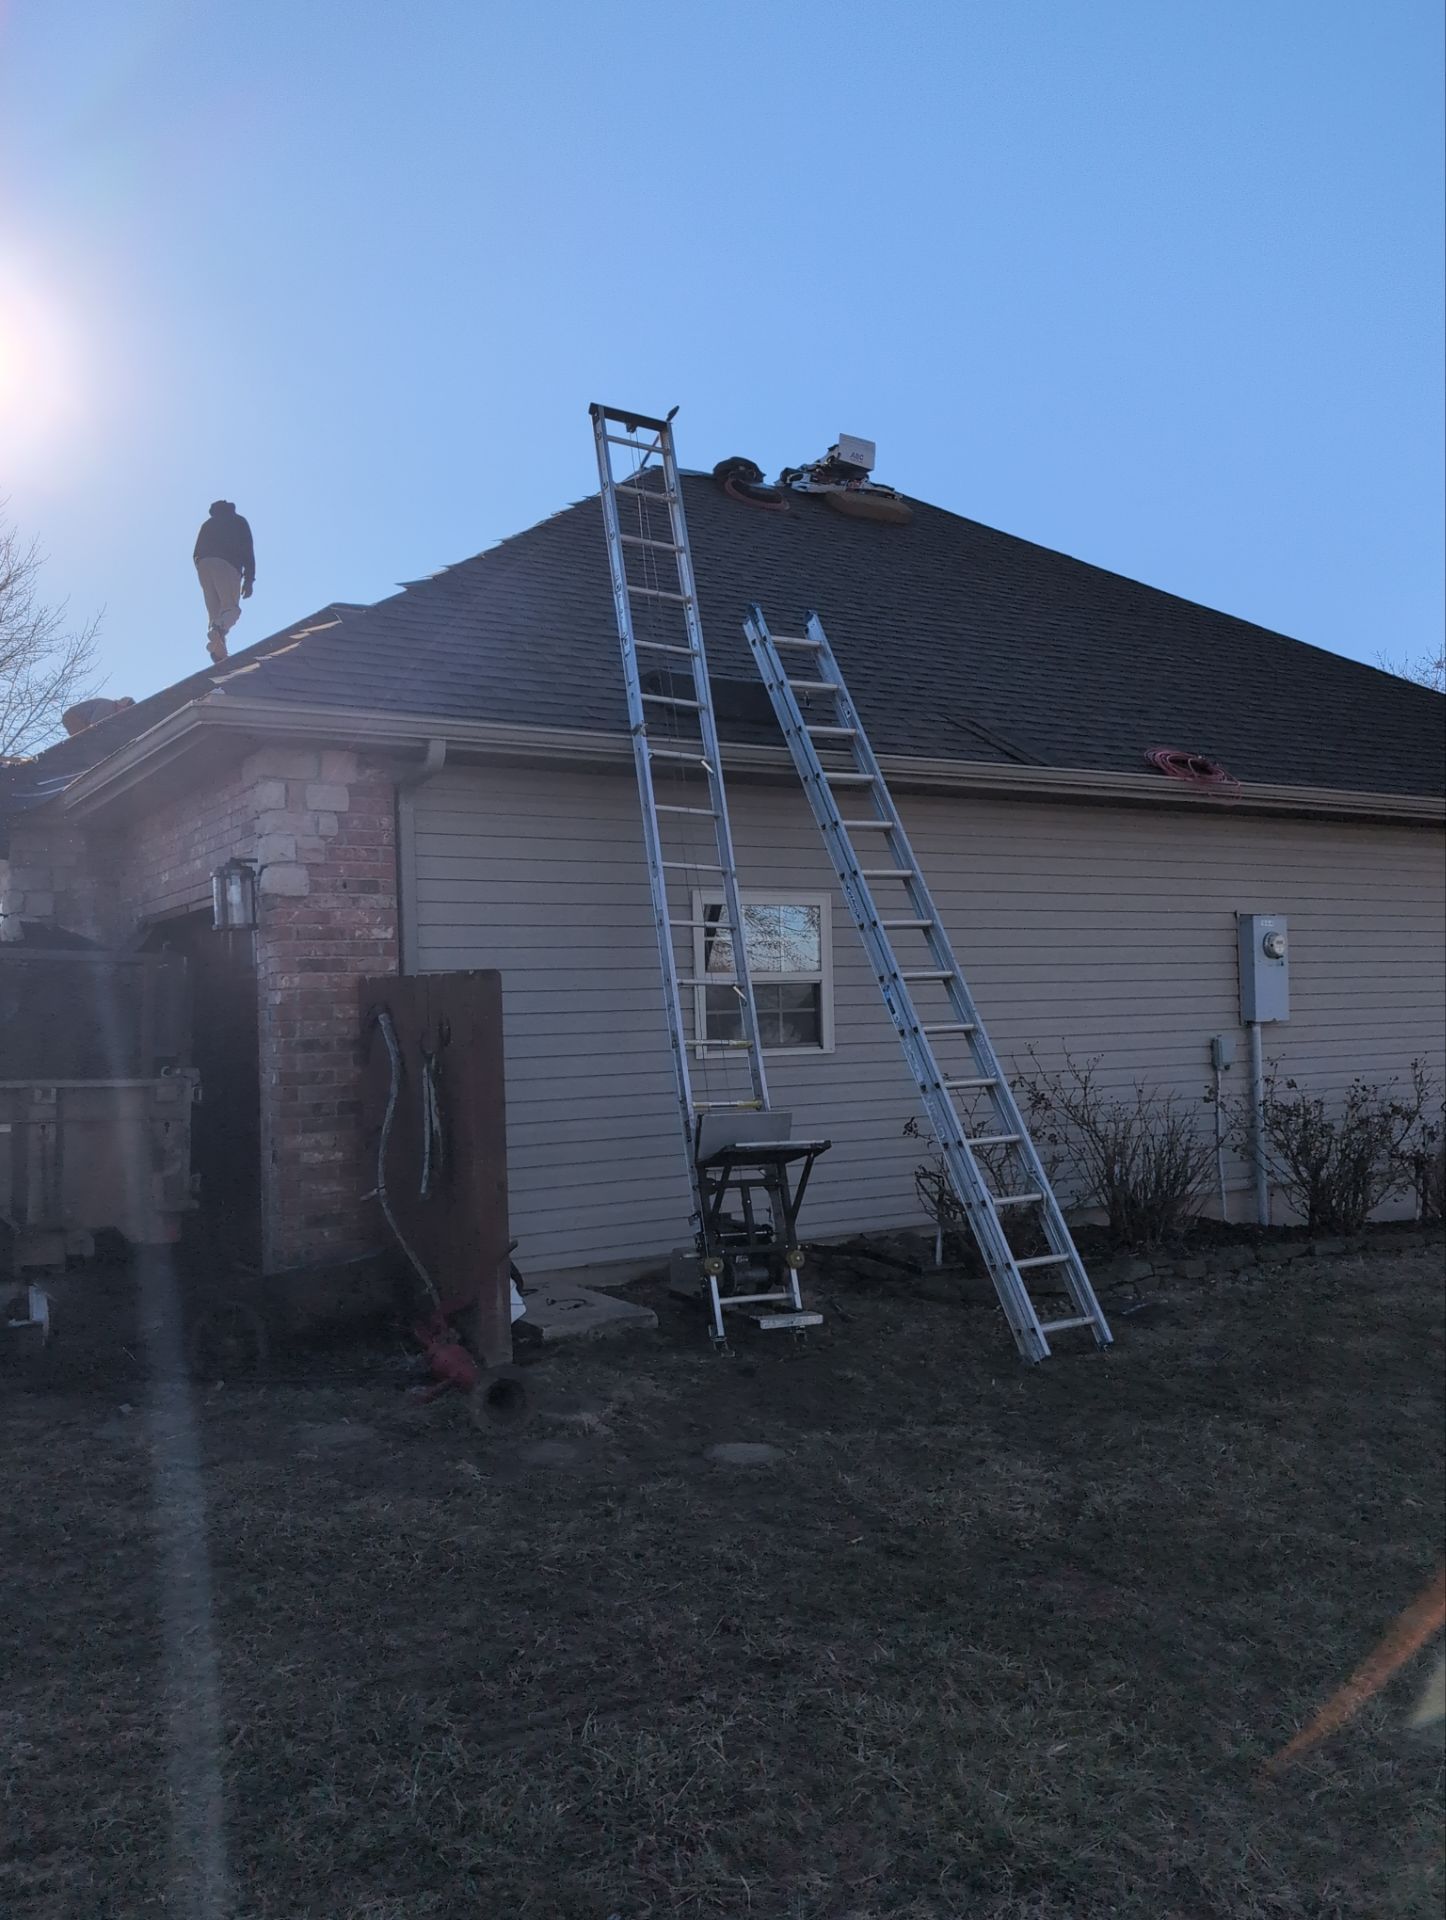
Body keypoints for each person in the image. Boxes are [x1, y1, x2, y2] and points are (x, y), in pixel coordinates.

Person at [193, 500, 255, 663]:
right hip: (227, 564)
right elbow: (248, 550)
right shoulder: (238, 521)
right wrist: (249, 579)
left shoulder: (208, 524)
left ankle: (219, 653)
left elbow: (196, 551)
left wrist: (201, 565)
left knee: (214, 613)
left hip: (204, 565)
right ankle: (218, 630)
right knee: (231, 610)